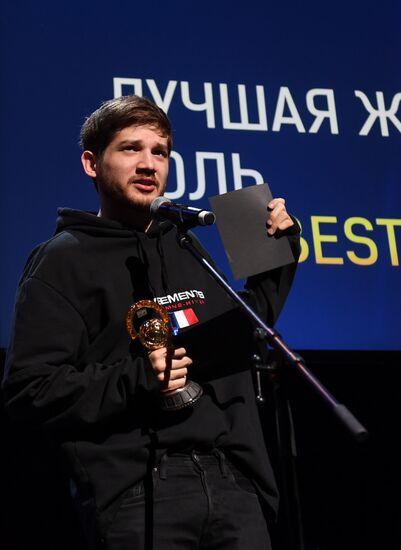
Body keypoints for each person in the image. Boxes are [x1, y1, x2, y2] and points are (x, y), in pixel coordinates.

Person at [2, 95, 300, 550]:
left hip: (233, 486)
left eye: (159, 152)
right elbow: (30, 390)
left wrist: (277, 254)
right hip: (140, 492)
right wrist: (139, 377)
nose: (148, 164)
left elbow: (247, 331)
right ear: (91, 163)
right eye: (130, 149)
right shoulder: (61, 260)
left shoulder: (185, 246)